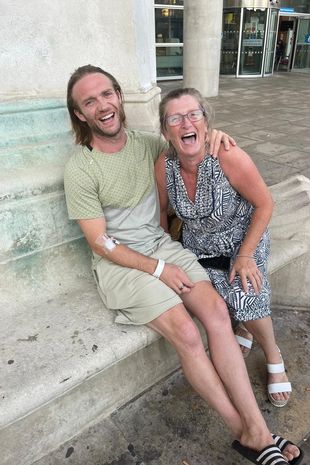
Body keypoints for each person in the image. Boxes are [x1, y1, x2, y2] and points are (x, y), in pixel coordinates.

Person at [64, 65, 302, 465]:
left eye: (107, 94)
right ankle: (251, 433)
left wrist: (217, 136)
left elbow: (187, 142)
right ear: (80, 115)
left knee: (216, 315)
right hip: (120, 260)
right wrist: (157, 269)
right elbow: (100, 242)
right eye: (89, 101)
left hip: (162, 248)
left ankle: (255, 428)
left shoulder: (148, 145)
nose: (102, 105)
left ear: (120, 97)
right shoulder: (80, 167)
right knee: (187, 333)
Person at [155, 87, 292, 411]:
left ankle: (273, 353)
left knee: (244, 287)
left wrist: (245, 255)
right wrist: (165, 250)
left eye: (194, 114)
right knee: (201, 293)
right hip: (197, 245)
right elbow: (162, 211)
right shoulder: (165, 164)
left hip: (242, 238)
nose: (186, 122)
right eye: (175, 118)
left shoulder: (228, 156)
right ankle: (243, 327)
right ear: (165, 130)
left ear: (206, 122)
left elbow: (264, 204)